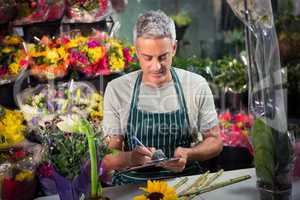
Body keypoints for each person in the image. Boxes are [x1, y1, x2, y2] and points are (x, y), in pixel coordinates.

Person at [102, 10, 223, 185]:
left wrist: (189, 153)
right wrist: (130, 158)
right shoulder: (118, 89)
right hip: (133, 185)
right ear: (137, 51)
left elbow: (215, 141)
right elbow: (108, 156)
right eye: (147, 58)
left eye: (163, 57)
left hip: (185, 183)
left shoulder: (196, 85)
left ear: (174, 48)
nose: (156, 66)